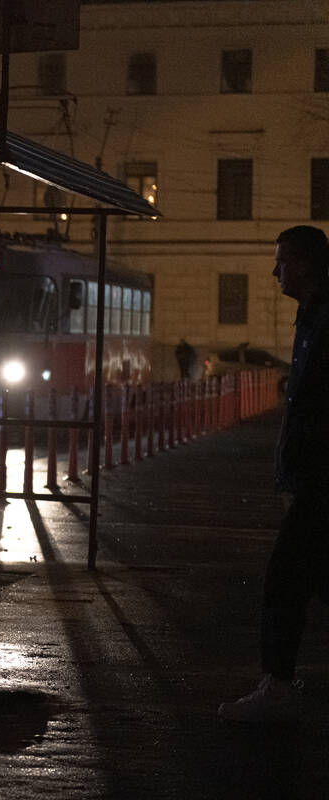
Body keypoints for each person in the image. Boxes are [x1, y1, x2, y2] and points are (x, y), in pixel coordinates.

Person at [219, 225, 329, 723]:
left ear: (304, 264)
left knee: (285, 579)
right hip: (309, 477)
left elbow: (313, 407)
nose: (274, 270)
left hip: (322, 480)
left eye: (281, 260)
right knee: (311, 578)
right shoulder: (311, 315)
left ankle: (277, 687)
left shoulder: (323, 317)